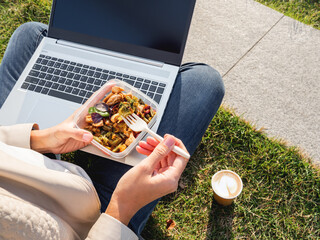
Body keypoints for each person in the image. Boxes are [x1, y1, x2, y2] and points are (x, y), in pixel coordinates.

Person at [0, 22, 224, 239]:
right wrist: (122, 206)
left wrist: (38, 139)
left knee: (31, 34)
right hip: (94, 220)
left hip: (23, 158)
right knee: (204, 82)